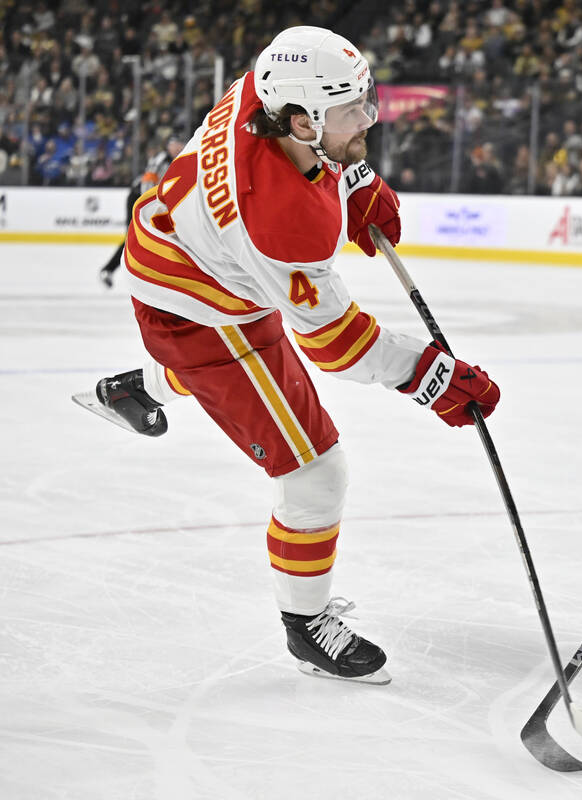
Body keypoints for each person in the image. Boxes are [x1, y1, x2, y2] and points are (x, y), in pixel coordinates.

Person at [72, 27, 500, 684]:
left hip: (189, 258)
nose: (371, 117)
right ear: (300, 120)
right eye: (353, 110)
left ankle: (141, 389)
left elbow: (313, 156)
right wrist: (432, 376)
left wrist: (354, 183)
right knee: (314, 473)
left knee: (241, 382)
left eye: (365, 99)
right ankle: (306, 627)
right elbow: (338, 345)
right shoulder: (281, 219)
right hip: (201, 313)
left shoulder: (264, 89)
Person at [98, 133, 185, 288]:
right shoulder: (161, 160)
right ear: (168, 146)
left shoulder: (178, 161)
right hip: (139, 198)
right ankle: (109, 269)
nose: (178, 147)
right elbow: (148, 184)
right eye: (174, 144)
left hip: (148, 200)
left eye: (180, 144)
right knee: (134, 235)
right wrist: (151, 206)